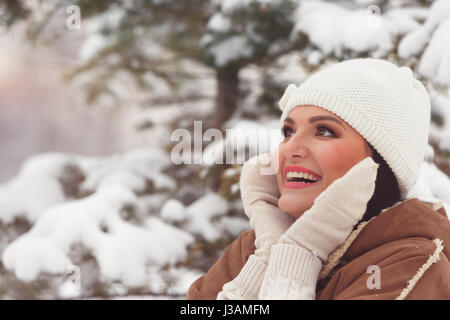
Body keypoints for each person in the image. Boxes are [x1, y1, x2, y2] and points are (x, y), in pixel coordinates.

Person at [186, 58, 450, 300]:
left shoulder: (411, 263)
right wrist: (267, 259)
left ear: (381, 164)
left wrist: (296, 259)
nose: (290, 148)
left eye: (324, 131)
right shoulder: (251, 250)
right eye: (288, 131)